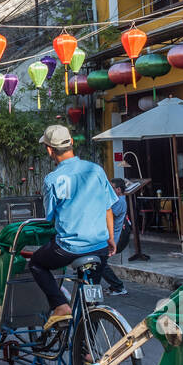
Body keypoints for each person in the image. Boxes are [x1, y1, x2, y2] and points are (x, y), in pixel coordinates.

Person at [28, 125, 117, 329]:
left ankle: (60, 306)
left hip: (69, 248)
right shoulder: (96, 170)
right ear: (71, 143)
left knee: (36, 263)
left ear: (50, 150)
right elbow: (108, 208)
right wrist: (111, 239)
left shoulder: (53, 179)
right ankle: (87, 352)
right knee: (91, 300)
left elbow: (50, 217)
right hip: (100, 247)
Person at [95, 177, 130, 296]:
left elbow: (106, 215)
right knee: (98, 262)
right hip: (107, 237)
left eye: (111, 188)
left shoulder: (119, 201)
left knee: (100, 263)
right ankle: (112, 286)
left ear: (119, 190)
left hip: (112, 238)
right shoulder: (116, 200)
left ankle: (118, 286)